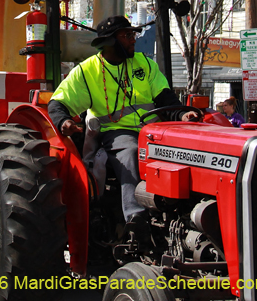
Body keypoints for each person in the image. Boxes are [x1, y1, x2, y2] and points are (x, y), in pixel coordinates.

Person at [47, 15, 199, 242]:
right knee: (130, 153)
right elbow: (57, 103)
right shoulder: (87, 71)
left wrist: (182, 113)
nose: (133, 40)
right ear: (109, 41)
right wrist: (63, 121)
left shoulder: (145, 63)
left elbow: (165, 97)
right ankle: (136, 218)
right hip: (116, 133)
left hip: (153, 132)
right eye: (127, 35)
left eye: (133, 34)